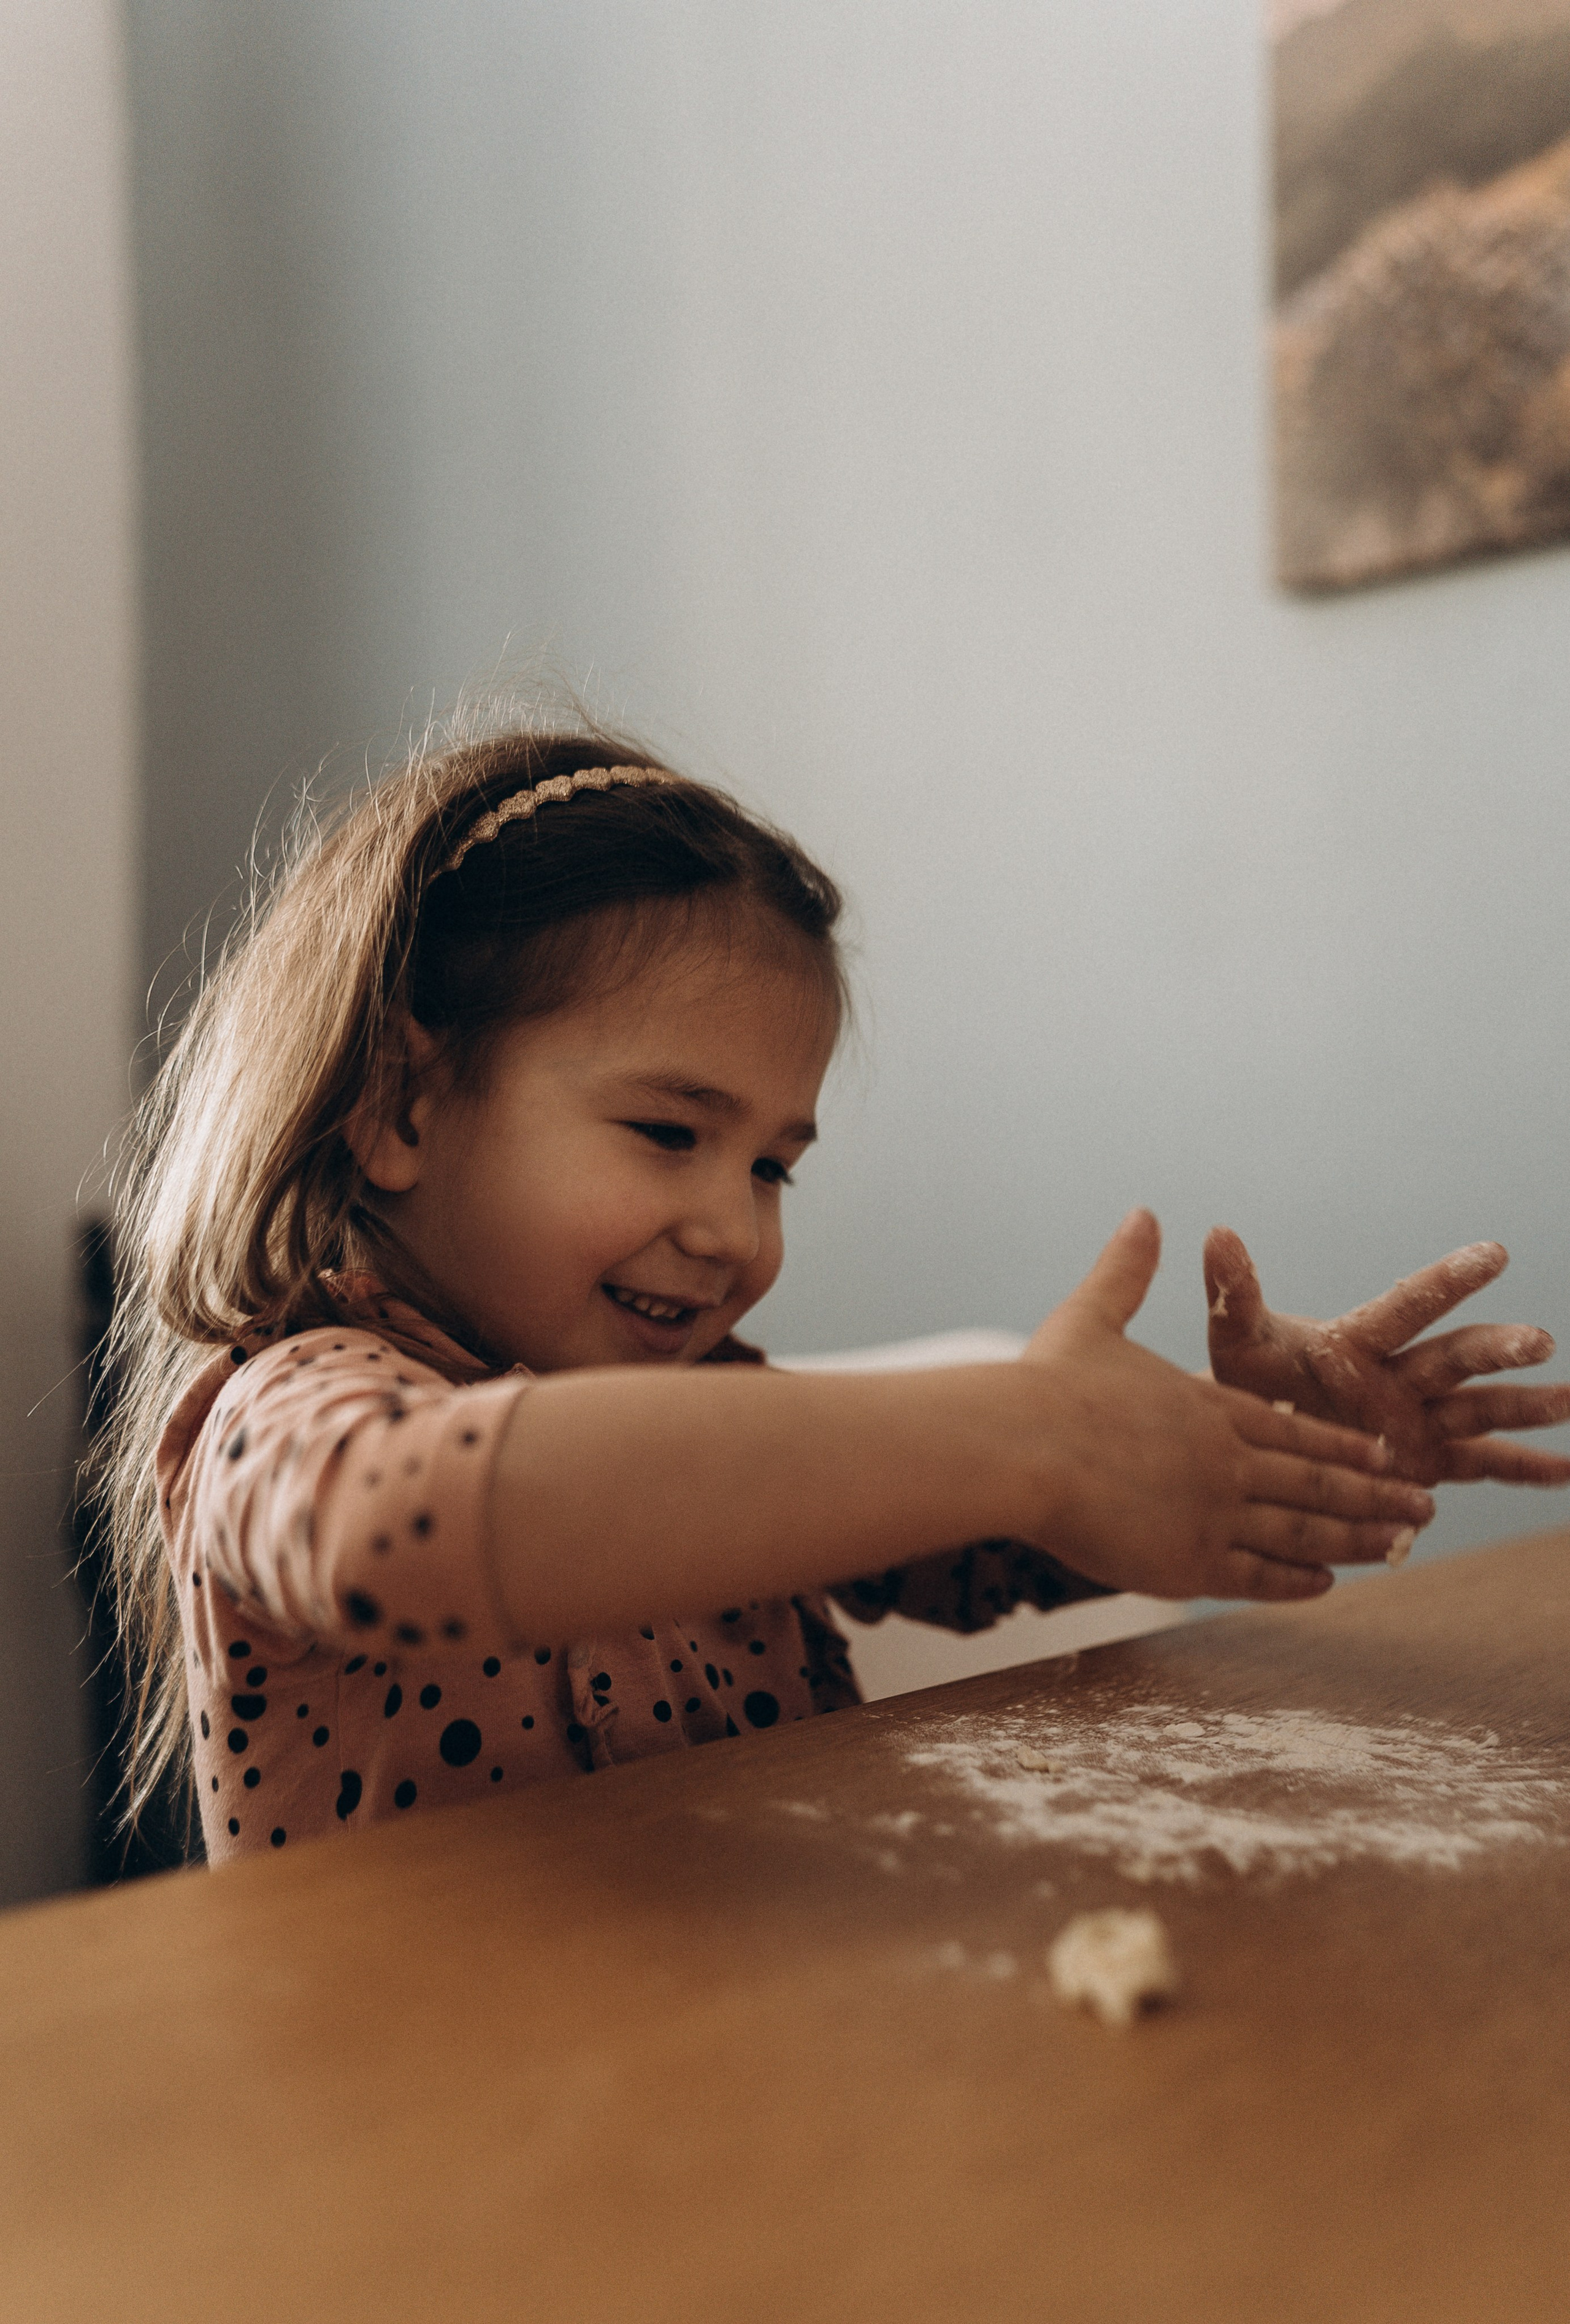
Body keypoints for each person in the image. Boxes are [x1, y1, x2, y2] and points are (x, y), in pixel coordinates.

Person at [100, 722, 1570, 1863]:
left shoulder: (713, 1408)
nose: (730, 1227)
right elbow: (397, 1518)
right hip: (419, 2149)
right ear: (401, 1106)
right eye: (670, 1133)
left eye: (773, 1166)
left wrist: (1216, 1445)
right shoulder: (286, 1408)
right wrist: (1023, 1427)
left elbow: (982, 1540)